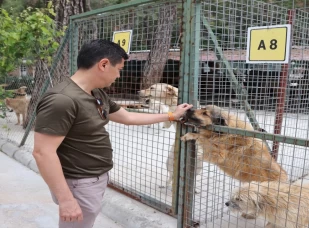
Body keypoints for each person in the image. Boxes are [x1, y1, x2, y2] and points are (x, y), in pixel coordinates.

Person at [32, 39, 193, 228]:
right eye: (118, 70)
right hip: (79, 182)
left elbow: (127, 117)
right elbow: (43, 153)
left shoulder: (95, 93)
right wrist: (66, 199)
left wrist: (172, 115)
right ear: (103, 64)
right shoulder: (62, 100)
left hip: (92, 179)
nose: (118, 76)